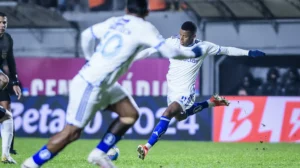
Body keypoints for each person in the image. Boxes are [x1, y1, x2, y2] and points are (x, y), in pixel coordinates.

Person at [21, 1, 204, 168]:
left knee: (130, 114)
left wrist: (88, 58)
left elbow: (86, 35)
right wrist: (193, 52)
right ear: (147, 12)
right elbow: (170, 52)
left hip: (104, 83)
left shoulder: (115, 21)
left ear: (126, 10)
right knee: (71, 133)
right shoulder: (145, 28)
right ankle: (30, 164)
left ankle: (99, 153)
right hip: (91, 84)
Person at [136, 21, 266, 160]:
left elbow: (226, 50)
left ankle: (147, 147)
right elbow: (151, 50)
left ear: (193, 36)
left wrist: (249, 52)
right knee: (180, 116)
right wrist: (130, 59)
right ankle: (210, 103)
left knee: (168, 113)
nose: (181, 39)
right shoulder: (173, 42)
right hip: (172, 91)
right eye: (180, 35)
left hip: (186, 93)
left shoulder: (203, 47)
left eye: (185, 36)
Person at [0, 12, 22, 164]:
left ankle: (7, 152)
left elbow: (11, 61)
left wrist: (14, 82)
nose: (2, 25)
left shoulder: (7, 39)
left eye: (4, 22)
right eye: (0, 22)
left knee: (7, 112)